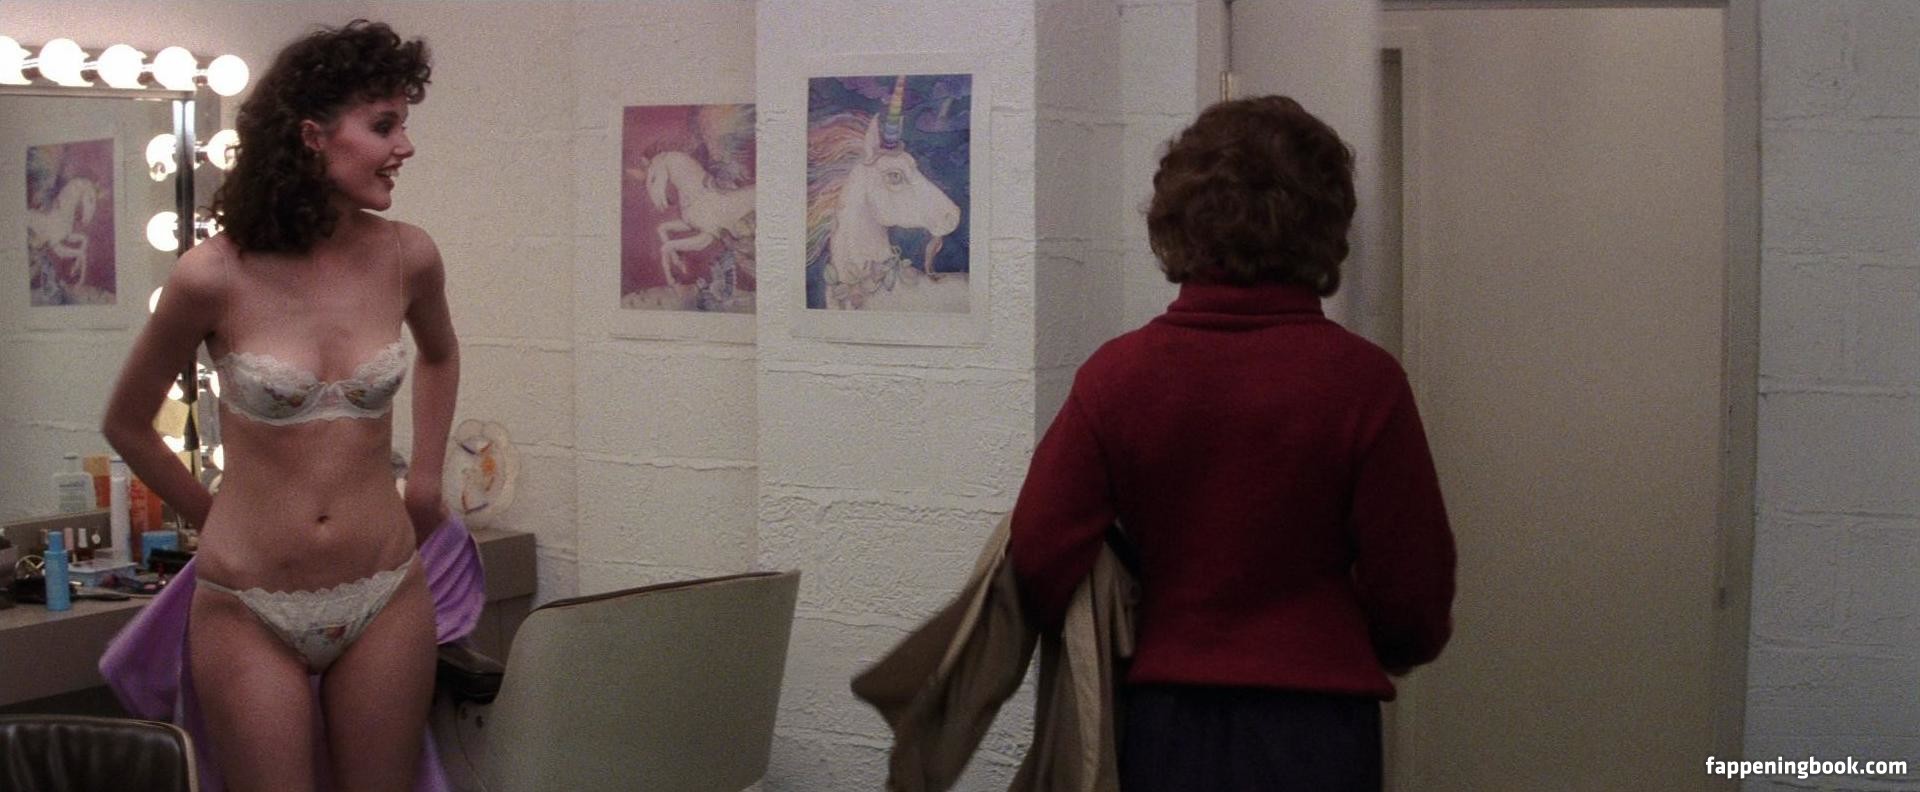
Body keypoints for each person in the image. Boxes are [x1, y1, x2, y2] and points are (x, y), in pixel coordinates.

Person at [1008, 95, 1456, 792]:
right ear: (1325, 224)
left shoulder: (1118, 376)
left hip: (1167, 729)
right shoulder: (1365, 382)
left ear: (1177, 219)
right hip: (1320, 735)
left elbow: (1038, 560)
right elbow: (1414, 600)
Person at [101, 20, 456, 792]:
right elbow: (126, 423)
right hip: (248, 604)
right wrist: (211, 516)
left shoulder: (408, 256)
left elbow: (439, 353)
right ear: (311, 135)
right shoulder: (212, 275)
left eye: (404, 124)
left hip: (385, 588)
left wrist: (426, 478)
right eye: (384, 125)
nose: (405, 146)